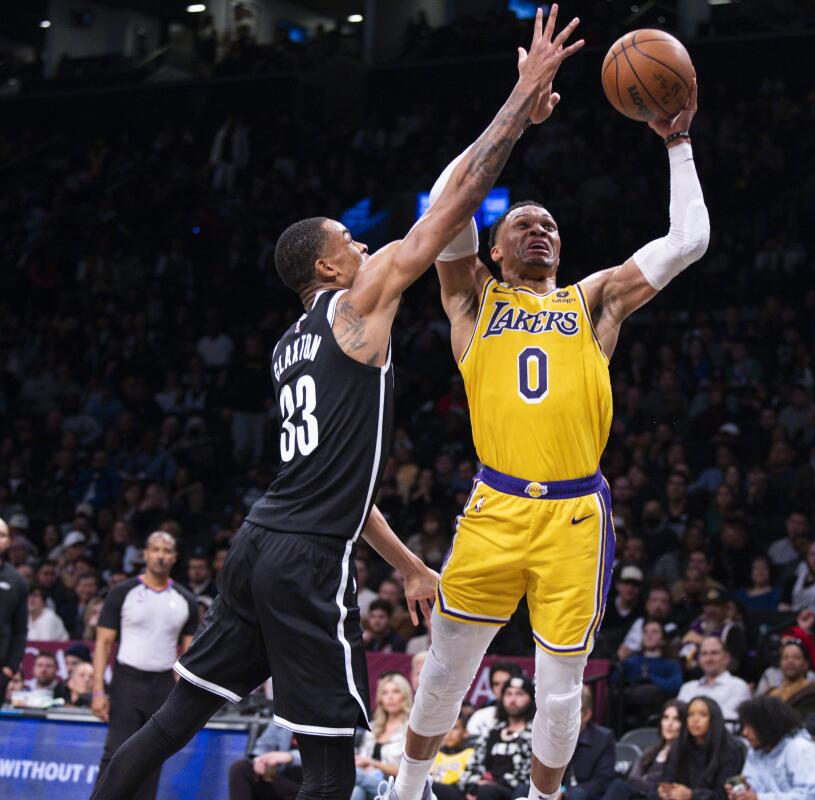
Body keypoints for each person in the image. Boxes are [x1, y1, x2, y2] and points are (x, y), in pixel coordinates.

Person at [88, 12, 580, 799]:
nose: (362, 244)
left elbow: (344, 491)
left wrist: (414, 566)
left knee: (171, 721)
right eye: (349, 239)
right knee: (329, 769)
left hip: (259, 543)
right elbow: (452, 209)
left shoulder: (292, 344)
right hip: (307, 561)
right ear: (326, 262)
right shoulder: (360, 305)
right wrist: (519, 105)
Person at [396, 28, 707, 800]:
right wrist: (516, 109)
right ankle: (404, 790)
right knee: (445, 668)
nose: (540, 229)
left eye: (551, 226)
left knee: (560, 687)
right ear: (493, 251)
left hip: (574, 517)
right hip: (496, 506)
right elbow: (448, 194)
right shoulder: (472, 301)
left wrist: (678, 143)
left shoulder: (593, 301)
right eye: (521, 224)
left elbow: (690, 240)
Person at [89, 530, 199, 800]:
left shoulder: (186, 599)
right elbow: (103, 644)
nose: (161, 555)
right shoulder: (122, 593)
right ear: (146, 554)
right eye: (156, 550)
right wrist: (98, 691)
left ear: (174, 557)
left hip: (163, 686)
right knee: (115, 753)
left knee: (151, 757)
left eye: (167, 551)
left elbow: (191, 653)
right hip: (127, 682)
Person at [732, 695, 815, 800]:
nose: (744, 732)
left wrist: (759, 798)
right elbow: (753, 787)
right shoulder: (755, 753)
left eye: (750, 726)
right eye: (744, 725)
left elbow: (808, 796)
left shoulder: (799, 748)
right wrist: (742, 793)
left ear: (766, 725)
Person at [461, 674, 536, 800]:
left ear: (530, 698)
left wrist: (490, 784)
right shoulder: (491, 732)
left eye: (520, 694)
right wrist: (473, 785)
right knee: (436, 788)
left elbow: (528, 776)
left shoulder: (536, 733)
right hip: (482, 788)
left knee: (487, 791)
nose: (513, 699)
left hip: (516, 792)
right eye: (508, 694)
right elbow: (473, 766)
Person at [659, 697, 743, 800]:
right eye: (690, 715)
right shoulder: (679, 746)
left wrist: (692, 795)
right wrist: (666, 791)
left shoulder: (731, 751)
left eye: (702, 715)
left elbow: (731, 795)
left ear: (713, 719)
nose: (695, 720)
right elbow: (667, 778)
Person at [602, 699, 685, 800]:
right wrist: (651, 785)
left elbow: (666, 788)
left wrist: (646, 782)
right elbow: (632, 778)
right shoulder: (651, 752)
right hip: (642, 795)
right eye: (666, 718)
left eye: (676, 719)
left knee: (618, 787)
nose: (669, 724)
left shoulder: (685, 754)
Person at [352, 673, 415, 800]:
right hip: (369, 783)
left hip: (397, 789)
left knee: (353, 774)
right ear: (380, 698)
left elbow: (409, 774)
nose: (390, 697)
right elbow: (363, 759)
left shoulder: (412, 730)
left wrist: (373, 763)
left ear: (405, 695)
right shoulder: (372, 727)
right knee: (357, 791)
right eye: (385, 693)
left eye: (396, 692)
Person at [615, 619, 683, 727]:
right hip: (628, 710)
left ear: (663, 639)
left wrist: (650, 678)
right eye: (646, 632)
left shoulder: (671, 663)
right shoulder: (632, 661)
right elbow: (614, 681)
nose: (649, 635)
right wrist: (620, 661)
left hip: (659, 709)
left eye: (654, 632)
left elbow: (675, 685)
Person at [558, 685, 616, 800]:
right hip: (554, 792)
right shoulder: (550, 735)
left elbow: (602, 782)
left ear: (586, 715)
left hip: (585, 796)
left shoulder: (603, 738)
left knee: (577, 795)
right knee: (523, 790)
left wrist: (566, 792)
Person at [676, 636, 752, 722]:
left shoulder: (738, 687)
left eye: (714, 653)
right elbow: (679, 720)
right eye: (704, 653)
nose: (709, 659)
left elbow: (726, 723)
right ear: (699, 659)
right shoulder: (687, 688)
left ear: (726, 658)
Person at [228, 722, 303, 800]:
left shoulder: (315, 721)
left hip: (309, 784)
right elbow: (261, 747)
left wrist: (291, 756)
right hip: (281, 779)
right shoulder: (282, 718)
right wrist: (259, 760)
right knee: (240, 768)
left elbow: (316, 756)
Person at [0, 517, 29, 701]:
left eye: (1, 535)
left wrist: (10, 668)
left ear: (9, 541)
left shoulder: (17, 581)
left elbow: (20, 630)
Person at [763, 641, 815, 717]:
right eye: (785, 657)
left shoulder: (813, 692)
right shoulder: (771, 693)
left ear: (805, 664)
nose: (790, 661)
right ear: (780, 664)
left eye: (796, 657)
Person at [465, 661, 520, 739]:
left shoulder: (532, 719)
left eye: (506, 683)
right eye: (496, 684)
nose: (501, 688)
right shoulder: (480, 717)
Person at [429, 714, 475, 800]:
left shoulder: (471, 753)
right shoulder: (434, 753)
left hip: (457, 793)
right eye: (446, 729)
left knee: (427, 787)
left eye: (454, 728)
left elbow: (470, 783)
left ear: (465, 733)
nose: (449, 734)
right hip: (434, 790)